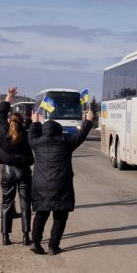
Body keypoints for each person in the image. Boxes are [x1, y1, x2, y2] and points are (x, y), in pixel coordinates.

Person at [27, 105, 95, 255]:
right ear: (59, 131)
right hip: (61, 185)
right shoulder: (66, 142)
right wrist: (88, 120)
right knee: (60, 216)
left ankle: (35, 242)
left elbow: (31, 135)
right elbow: (81, 134)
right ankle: (53, 246)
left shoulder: (36, 143)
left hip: (40, 184)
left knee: (41, 214)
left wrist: (35, 122)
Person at [0, 86, 34, 246]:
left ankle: (5, 237)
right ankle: (26, 237)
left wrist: (8, 97)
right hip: (23, 171)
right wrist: (34, 123)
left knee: (6, 203)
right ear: (22, 122)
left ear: (9, 121)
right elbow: (36, 132)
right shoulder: (26, 133)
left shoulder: (2, 130)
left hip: (7, 171)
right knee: (25, 204)